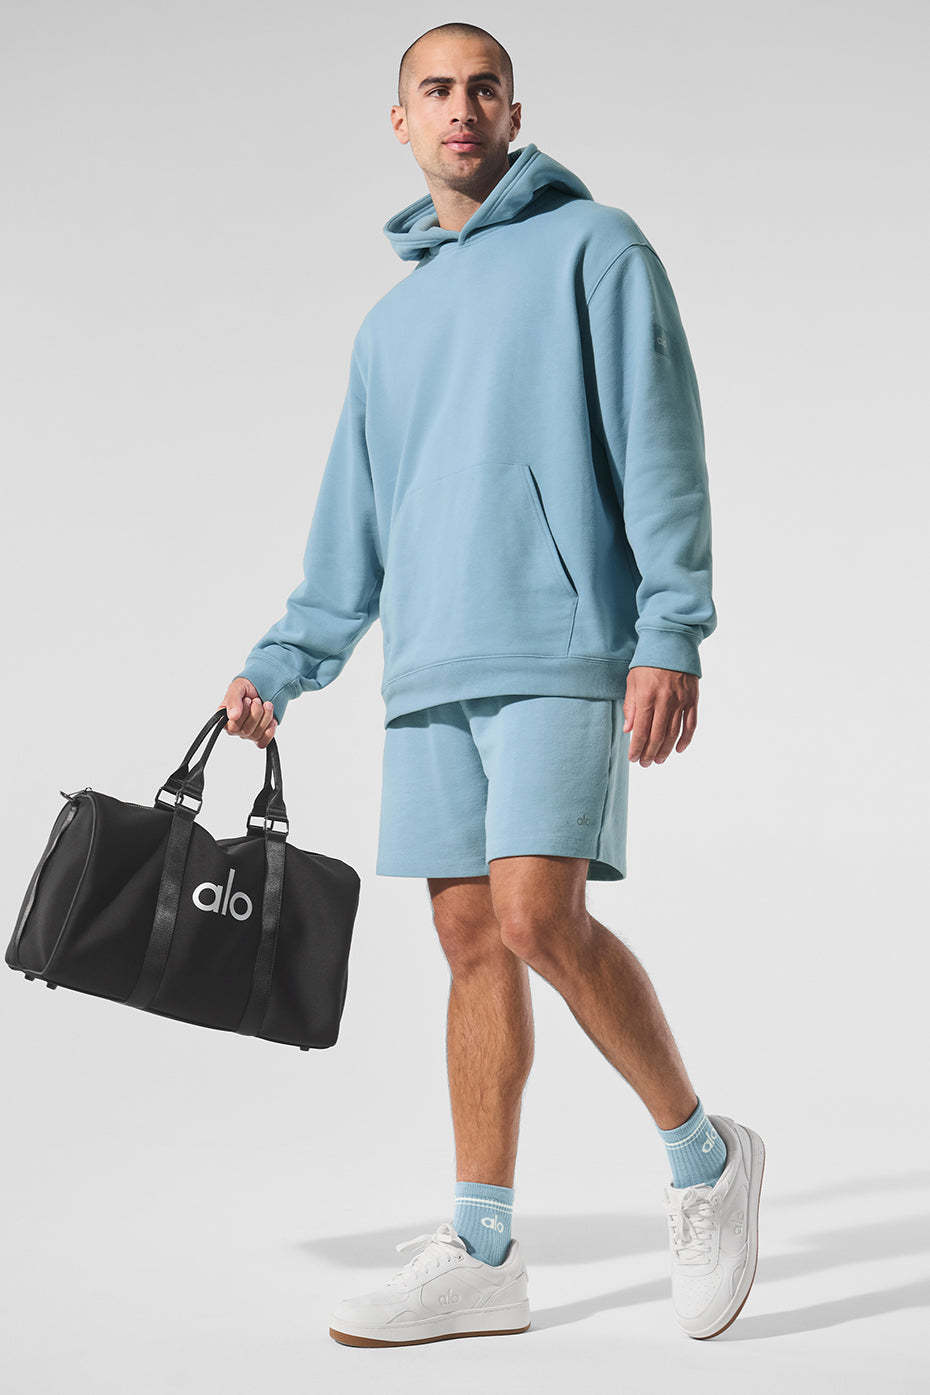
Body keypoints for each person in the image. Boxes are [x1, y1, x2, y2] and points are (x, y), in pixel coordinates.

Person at [220, 21, 764, 1348]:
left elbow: (660, 443)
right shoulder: (389, 327)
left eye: (482, 88)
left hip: (561, 649)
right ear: (399, 121)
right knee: (469, 940)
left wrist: (670, 629)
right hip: (430, 669)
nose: (459, 107)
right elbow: (354, 526)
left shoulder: (596, 247)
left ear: (514, 113)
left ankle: (704, 1158)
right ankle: (480, 1251)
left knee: (534, 917)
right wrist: (284, 661)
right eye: (435, 90)